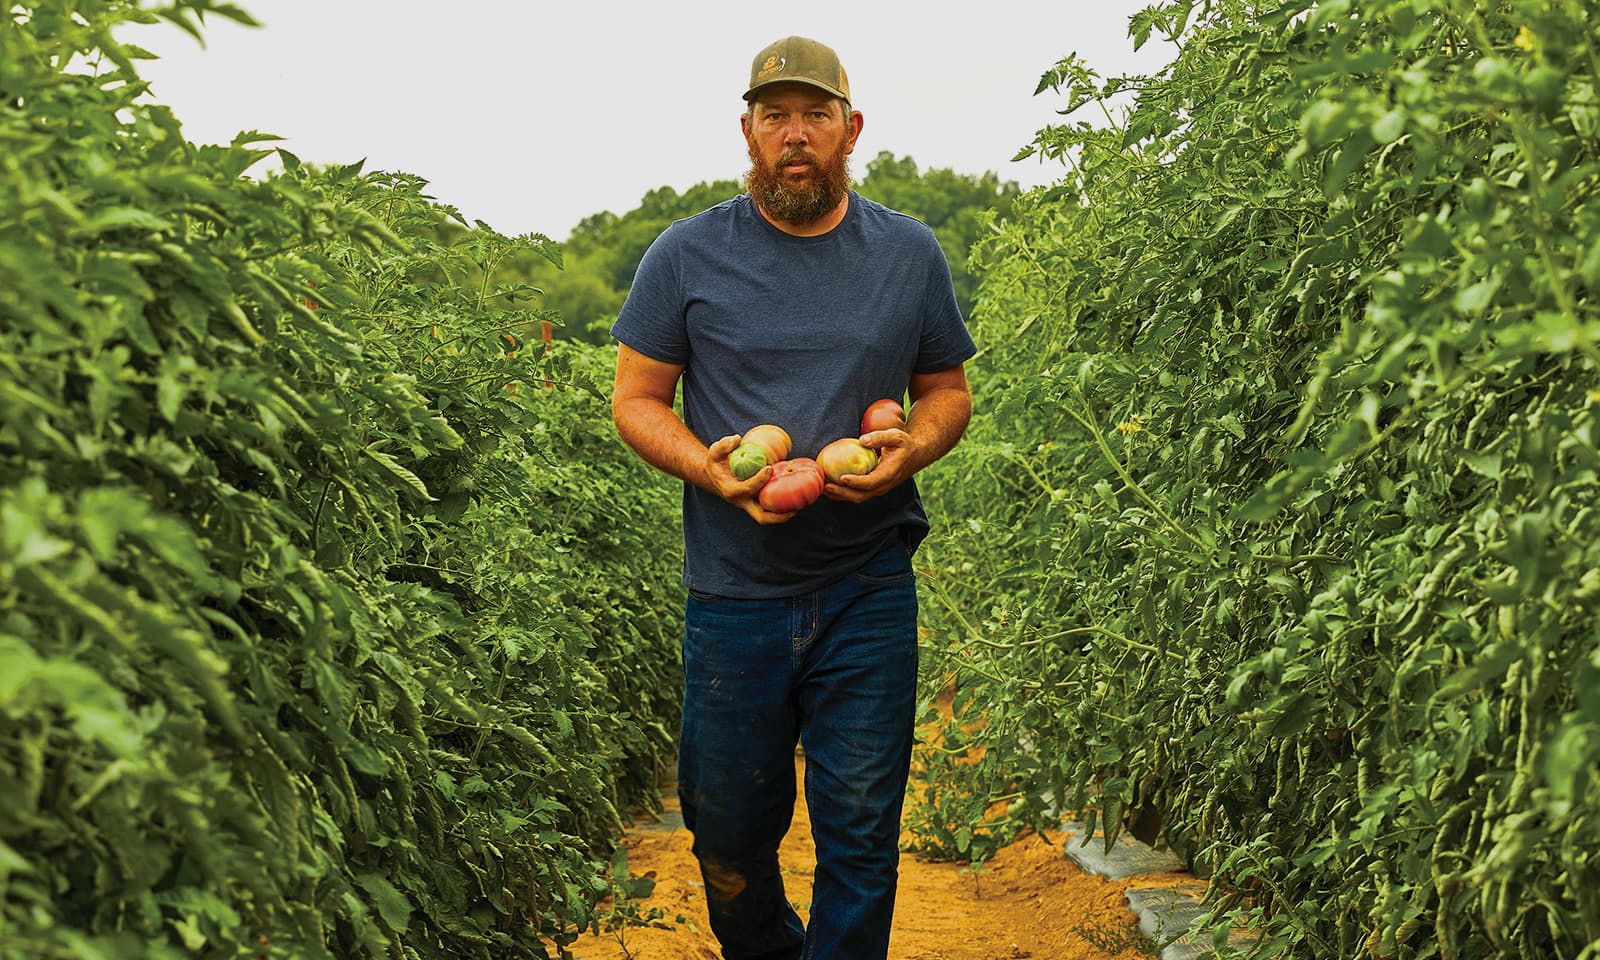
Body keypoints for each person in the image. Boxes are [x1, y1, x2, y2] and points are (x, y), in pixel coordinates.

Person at [608, 35, 976, 960]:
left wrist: (907, 455)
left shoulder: (907, 253)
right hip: (733, 594)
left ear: (852, 128)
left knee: (859, 831)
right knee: (728, 837)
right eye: (776, 116)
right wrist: (712, 473)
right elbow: (637, 401)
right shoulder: (685, 255)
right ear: (748, 131)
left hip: (868, 587)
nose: (795, 133)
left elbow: (946, 392)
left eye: (816, 114)